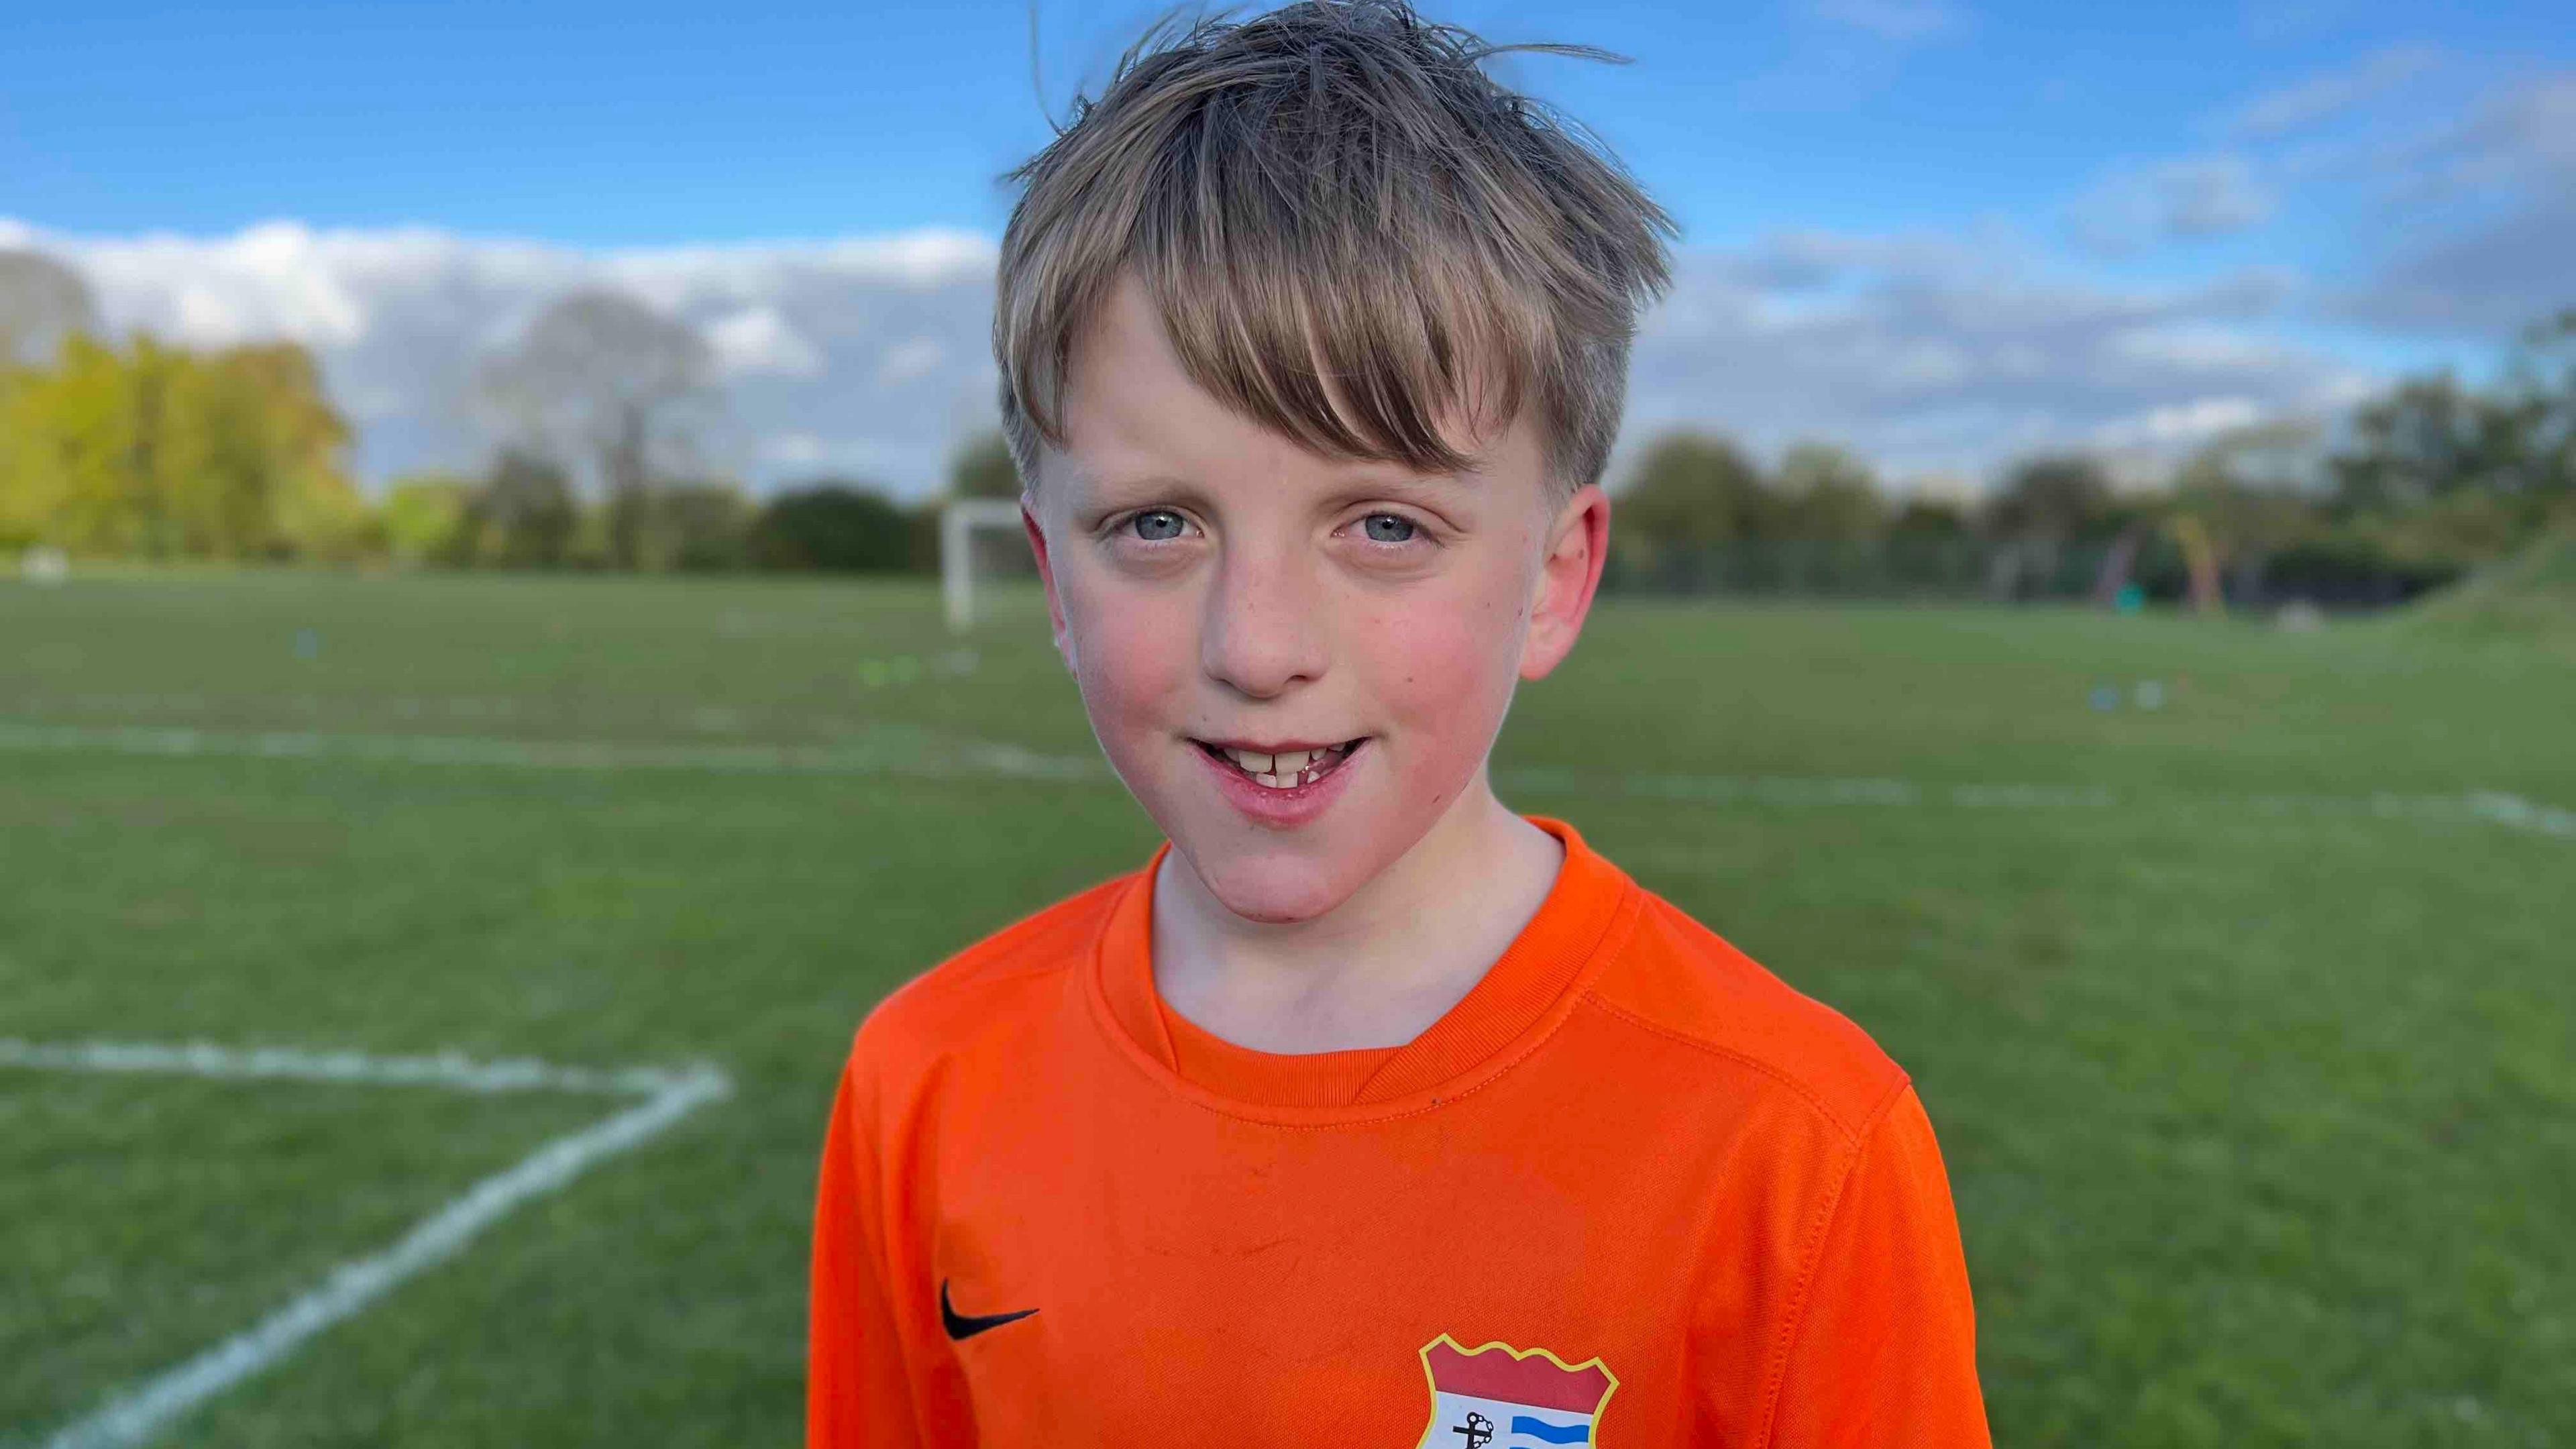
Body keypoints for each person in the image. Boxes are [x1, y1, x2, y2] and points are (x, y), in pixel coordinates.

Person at [809, 3, 1990, 1444]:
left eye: (1382, 524)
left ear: (1555, 580)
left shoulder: (1799, 1145)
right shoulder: (923, 1082)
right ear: (1052, 575)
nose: (1258, 646)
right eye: (1158, 523)